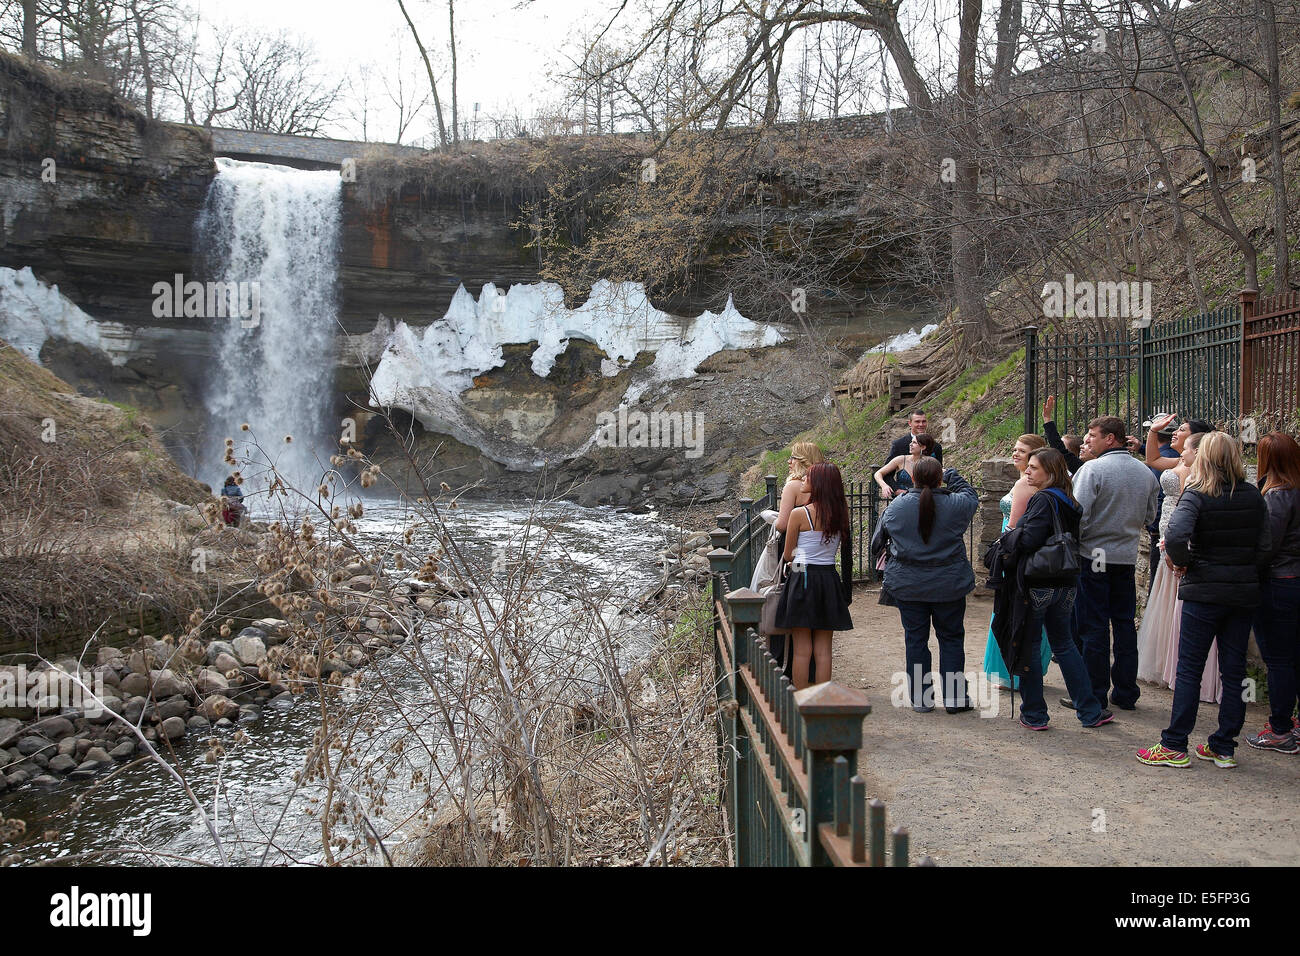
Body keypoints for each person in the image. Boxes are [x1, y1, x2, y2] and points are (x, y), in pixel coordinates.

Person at [1137, 432, 1270, 768]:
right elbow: (1266, 546)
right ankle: (1224, 745)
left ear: (1205, 456)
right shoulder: (1253, 496)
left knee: (1189, 669)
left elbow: (1176, 536)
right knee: (1235, 670)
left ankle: (1175, 743)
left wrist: (1185, 563)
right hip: (1241, 592)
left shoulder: (1198, 494)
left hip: (1204, 590)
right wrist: (1246, 570)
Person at [1002, 448, 1114, 729]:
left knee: (1030, 645)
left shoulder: (1042, 499)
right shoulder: (1070, 500)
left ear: (1050, 472)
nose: (1027, 471)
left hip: (1039, 582)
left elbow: (1030, 540)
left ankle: (1035, 713)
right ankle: (1090, 710)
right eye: (1027, 467)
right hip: (1065, 581)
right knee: (1064, 645)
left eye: (1034, 468)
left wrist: (1010, 538)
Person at [1071, 416, 1159, 713]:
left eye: (1092, 435)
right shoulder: (1144, 472)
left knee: (1093, 625)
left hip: (1094, 554)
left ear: (1110, 438)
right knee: (1123, 623)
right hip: (1125, 556)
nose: (1088, 440)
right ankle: (1125, 691)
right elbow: (1150, 516)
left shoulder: (1093, 469)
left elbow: (1077, 515)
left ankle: (1094, 693)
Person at [880, 459, 979, 713]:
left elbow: (878, 541)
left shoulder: (896, 507)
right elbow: (971, 495)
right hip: (949, 584)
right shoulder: (956, 504)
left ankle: (921, 699)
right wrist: (952, 475)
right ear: (939, 479)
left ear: (912, 479)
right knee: (951, 639)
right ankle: (956, 698)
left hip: (909, 585)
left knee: (915, 640)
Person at [1136, 432, 1220, 702]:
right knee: (1164, 604)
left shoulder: (1197, 481)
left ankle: (1176, 669)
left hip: (1177, 546)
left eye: (1185, 448)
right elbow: (1152, 459)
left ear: (1199, 451)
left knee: (1176, 608)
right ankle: (1163, 663)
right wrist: (1151, 432)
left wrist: (1176, 552)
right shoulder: (1178, 465)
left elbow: (1187, 510)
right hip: (1168, 539)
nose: (1181, 452)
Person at [982, 434, 1051, 689]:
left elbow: (1013, 527)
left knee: (1009, 609)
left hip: (1013, 550)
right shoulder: (1041, 484)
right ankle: (1029, 671)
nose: (1015, 454)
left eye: (1021, 451)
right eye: (1014, 449)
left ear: (1036, 455)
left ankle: (1012, 672)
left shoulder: (1024, 485)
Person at [776, 463, 853, 689]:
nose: (803, 481)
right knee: (823, 648)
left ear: (818, 483)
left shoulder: (800, 514)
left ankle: (802, 699)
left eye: (807, 477)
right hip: (829, 579)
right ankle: (822, 697)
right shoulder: (840, 515)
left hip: (803, 578)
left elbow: (789, 555)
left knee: (802, 649)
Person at [1246, 431, 1300, 754]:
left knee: (1278, 659)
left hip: (1279, 582)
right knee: (1294, 656)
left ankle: (1280, 728)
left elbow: (1268, 546)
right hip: (1294, 578)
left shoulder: (1278, 496)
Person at [770, 442, 825, 679]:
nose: (788, 461)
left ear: (803, 460)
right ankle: (814, 675)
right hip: (819, 555)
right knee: (815, 618)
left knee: (795, 605)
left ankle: (793, 672)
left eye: (793, 457)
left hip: (796, 552)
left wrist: (772, 519)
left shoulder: (793, 485)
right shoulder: (825, 484)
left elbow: (782, 524)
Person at [874, 433, 937, 500]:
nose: (910, 444)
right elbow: (878, 473)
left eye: (914, 443)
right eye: (911, 442)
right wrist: (884, 486)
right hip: (901, 500)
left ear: (923, 447)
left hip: (922, 500)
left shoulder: (931, 463)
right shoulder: (901, 459)